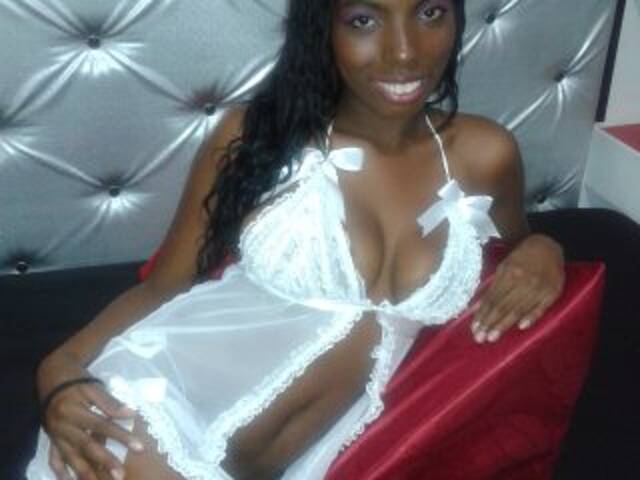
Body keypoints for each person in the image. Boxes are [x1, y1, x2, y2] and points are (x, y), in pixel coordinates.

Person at [26, 0, 565, 479]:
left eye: (429, 13)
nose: (404, 52)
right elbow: (164, 287)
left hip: (321, 457)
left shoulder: (485, 154)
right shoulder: (257, 135)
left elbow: (513, 253)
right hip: (155, 412)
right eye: (364, 20)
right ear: (321, 28)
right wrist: (58, 372)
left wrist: (545, 249)